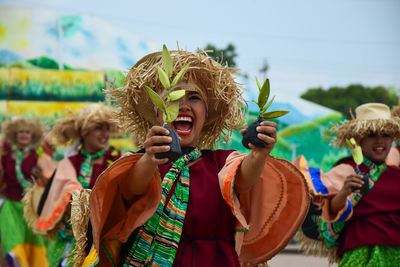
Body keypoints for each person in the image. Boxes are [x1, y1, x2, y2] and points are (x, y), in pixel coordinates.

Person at [77, 49, 310, 267]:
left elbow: (242, 179)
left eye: (195, 98)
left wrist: (258, 154)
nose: (184, 105)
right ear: (159, 112)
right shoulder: (141, 162)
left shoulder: (222, 161)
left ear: (206, 115)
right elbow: (131, 189)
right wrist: (150, 158)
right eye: (173, 97)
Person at [294, 103, 400, 265]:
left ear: (392, 139)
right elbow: (332, 212)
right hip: (361, 251)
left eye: (385, 135)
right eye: (371, 135)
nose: (380, 141)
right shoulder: (346, 169)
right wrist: (344, 192)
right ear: (358, 140)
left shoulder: (395, 173)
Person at [31, 103, 122, 266]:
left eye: (108, 128)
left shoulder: (116, 159)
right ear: (85, 131)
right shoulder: (70, 162)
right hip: (69, 238)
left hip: (100, 239)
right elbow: (62, 192)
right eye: (99, 128)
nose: (105, 134)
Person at [0, 117, 56, 266]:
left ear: (32, 136)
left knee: (35, 245)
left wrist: (41, 178)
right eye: (20, 132)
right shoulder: (5, 153)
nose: (24, 135)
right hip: (11, 205)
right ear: (14, 135)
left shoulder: (38, 155)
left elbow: (49, 183)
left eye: (27, 132)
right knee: (12, 241)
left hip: (31, 207)